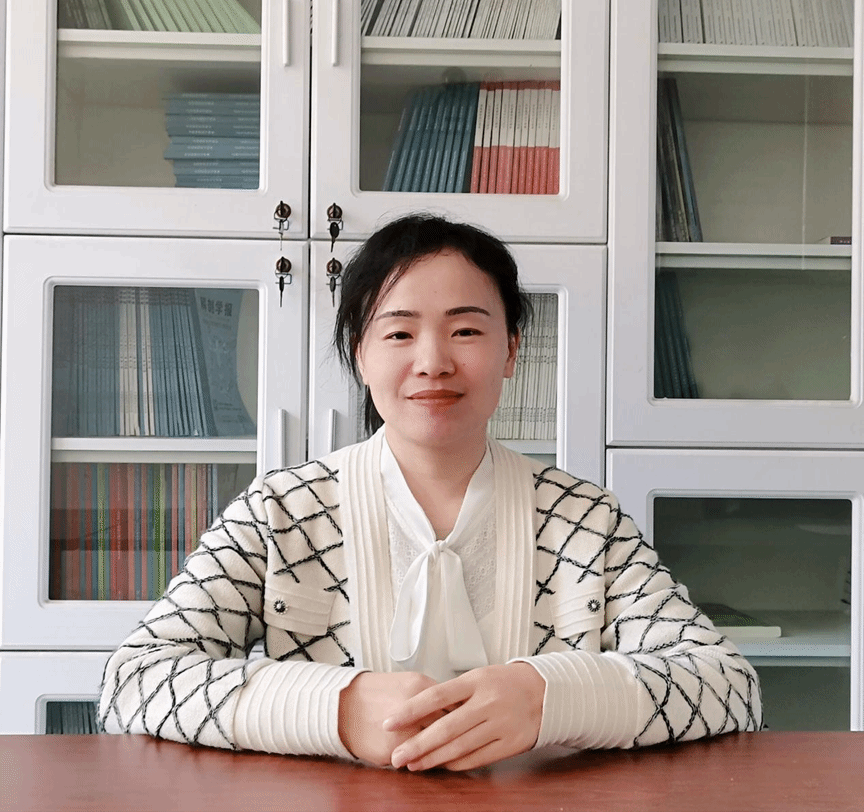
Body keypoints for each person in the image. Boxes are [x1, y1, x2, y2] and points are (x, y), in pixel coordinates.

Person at [98, 213, 762, 771]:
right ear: (361, 355)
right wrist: (338, 708)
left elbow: (726, 685)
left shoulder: (585, 519)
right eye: (399, 332)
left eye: (466, 330)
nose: (433, 362)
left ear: (511, 350)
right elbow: (135, 681)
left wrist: (548, 697)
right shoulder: (281, 512)